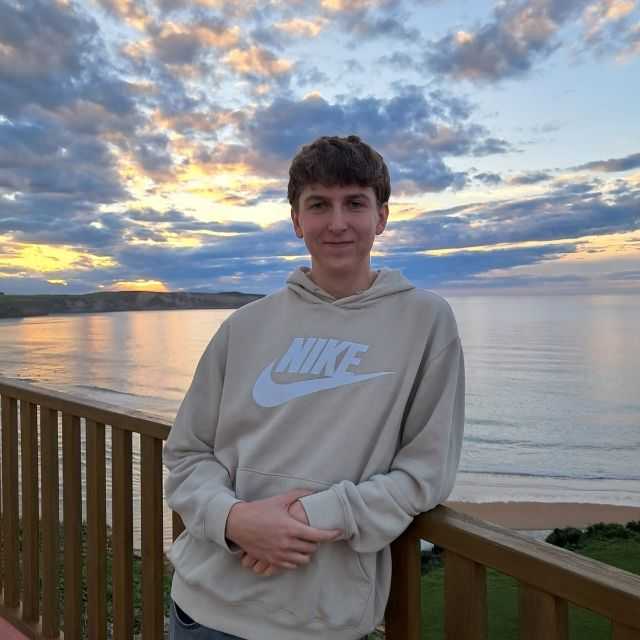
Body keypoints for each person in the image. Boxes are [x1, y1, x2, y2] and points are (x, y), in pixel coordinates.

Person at [164, 135, 465, 640]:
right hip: (205, 608)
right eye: (319, 205)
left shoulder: (426, 322)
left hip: (322, 621)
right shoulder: (244, 326)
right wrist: (234, 519)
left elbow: (426, 474)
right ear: (297, 221)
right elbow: (187, 453)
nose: (337, 222)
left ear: (382, 217)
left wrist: (312, 514)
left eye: (355, 203)